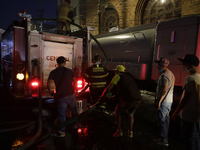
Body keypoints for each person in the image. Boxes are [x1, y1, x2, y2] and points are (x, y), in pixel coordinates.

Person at [100, 65, 141, 138]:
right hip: (137, 99)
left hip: (129, 99)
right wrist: (113, 97)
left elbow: (109, 88)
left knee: (118, 110)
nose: (115, 72)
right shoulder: (128, 77)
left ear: (117, 71)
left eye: (116, 71)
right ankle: (130, 133)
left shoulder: (118, 76)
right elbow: (125, 90)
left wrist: (102, 97)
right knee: (131, 113)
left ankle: (119, 131)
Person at [171, 54, 200, 150]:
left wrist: (176, 112)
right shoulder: (199, 78)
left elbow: (185, 99)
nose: (182, 66)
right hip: (197, 115)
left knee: (188, 139)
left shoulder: (190, 78)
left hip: (188, 115)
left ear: (191, 66)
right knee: (196, 137)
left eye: (184, 64)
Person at [47, 56, 78, 137]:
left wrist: (50, 92)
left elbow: (48, 83)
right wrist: (76, 91)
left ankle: (62, 132)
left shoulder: (53, 72)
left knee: (62, 114)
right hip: (71, 94)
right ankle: (75, 125)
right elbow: (75, 82)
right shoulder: (70, 71)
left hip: (61, 96)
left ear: (57, 63)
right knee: (74, 110)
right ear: (65, 63)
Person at [153, 57, 175, 146]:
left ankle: (164, 140)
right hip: (169, 100)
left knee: (162, 120)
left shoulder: (164, 75)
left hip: (164, 101)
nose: (157, 67)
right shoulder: (171, 74)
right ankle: (164, 137)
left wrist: (159, 102)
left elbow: (164, 90)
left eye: (158, 65)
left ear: (162, 66)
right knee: (166, 120)